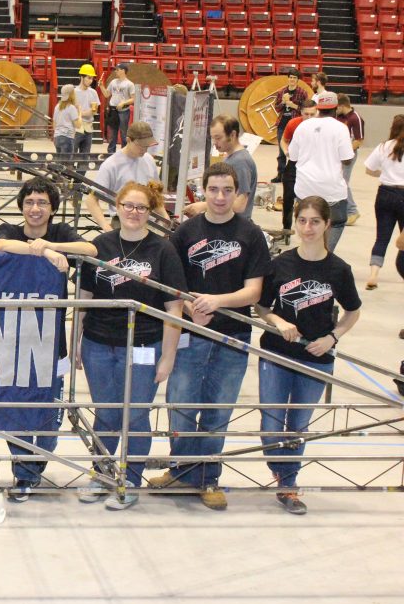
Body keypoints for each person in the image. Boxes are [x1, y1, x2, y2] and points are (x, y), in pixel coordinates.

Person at [148, 162, 270, 510]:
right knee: (182, 405)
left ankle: (207, 478)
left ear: (237, 194)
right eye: (213, 189)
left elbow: (254, 291)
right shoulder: (185, 233)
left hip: (232, 337)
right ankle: (181, 471)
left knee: (218, 410)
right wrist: (190, 311)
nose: (219, 197)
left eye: (227, 190)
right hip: (191, 334)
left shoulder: (251, 234)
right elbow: (173, 283)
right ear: (203, 191)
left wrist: (217, 302)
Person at [76, 180, 186, 509]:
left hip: (143, 346)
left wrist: (167, 356)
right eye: (128, 206)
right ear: (117, 208)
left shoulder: (163, 250)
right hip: (98, 344)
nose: (134, 213)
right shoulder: (101, 245)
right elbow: (83, 299)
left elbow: (174, 308)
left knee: (136, 415)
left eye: (141, 208)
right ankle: (102, 474)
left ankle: (130, 479)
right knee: (106, 412)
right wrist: (77, 342)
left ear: (150, 212)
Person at [255, 196, 361, 515]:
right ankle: (280, 467)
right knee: (272, 424)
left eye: (315, 221)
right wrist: (278, 320)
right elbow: (261, 307)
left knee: (297, 424)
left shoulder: (339, 270)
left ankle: (288, 484)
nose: (308, 227)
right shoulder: (280, 265)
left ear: (327, 224)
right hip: (277, 354)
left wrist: (332, 337)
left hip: (315, 359)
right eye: (302, 220)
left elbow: (353, 312)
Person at [0, 176, 96, 499]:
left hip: (54, 344)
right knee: (16, 410)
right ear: (21, 207)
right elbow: (0, 245)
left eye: (42, 203)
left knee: (51, 411)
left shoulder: (61, 234)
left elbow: (90, 248)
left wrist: (52, 247)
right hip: (14, 340)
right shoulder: (10, 232)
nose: (35, 209)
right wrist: (36, 250)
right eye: (29, 203)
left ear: (52, 209)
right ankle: (23, 473)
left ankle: (33, 467)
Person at [287, 90, 354, 252]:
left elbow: (293, 156)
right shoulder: (340, 128)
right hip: (332, 190)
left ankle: (308, 254)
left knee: (307, 225)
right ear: (336, 108)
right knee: (336, 223)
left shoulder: (303, 126)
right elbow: (347, 159)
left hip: (305, 189)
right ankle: (325, 256)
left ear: (318, 108)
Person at [85, 122, 169, 231]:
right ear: (129, 140)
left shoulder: (149, 160)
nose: (144, 149)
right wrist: (106, 227)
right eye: (141, 146)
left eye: (147, 146)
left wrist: (164, 215)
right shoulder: (111, 165)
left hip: (149, 221)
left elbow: (155, 194)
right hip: (123, 222)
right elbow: (91, 200)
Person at [184, 115, 257, 220]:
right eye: (212, 138)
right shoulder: (231, 157)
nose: (214, 143)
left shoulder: (240, 162)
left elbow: (239, 206)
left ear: (232, 134)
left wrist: (204, 205)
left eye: (218, 138)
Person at [363, 114, 404, 290]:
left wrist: (384, 173)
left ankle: (373, 274)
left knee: (382, 237)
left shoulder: (384, 147)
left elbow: (369, 169)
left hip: (385, 193)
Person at [276, 99, 318, 234]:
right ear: (301, 113)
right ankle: (286, 227)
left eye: (312, 114)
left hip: (313, 165)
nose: (309, 117)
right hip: (294, 164)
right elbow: (284, 140)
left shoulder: (320, 127)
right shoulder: (293, 123)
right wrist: (286, 151)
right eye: (306, 114)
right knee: (288, 197)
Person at [273, 68, 308, 183]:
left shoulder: (302, 93)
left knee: (296, 151)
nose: (292, 80)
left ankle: (294, 175)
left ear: (298, 80)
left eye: (294, 78)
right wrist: (283, 102)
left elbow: (305, 110)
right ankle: (280, 175)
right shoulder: (281, 92)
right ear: (288, 79)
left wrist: (293, 105)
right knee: (281, 151)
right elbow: (277, 108)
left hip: (296, 125)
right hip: (282, 123)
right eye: (290, 77)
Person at [336, 93, 365, 226]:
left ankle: (352, 211)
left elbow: (359, 141)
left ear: (342, 105)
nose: (336, 110)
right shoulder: (340, 117)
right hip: (339, 154)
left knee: (343, 182)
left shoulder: (356, 118)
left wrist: (346, 153)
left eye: (337, 107)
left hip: (349, 155)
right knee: (339, 180)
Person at [102, 63, 135, 153]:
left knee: (124, 133)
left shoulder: (130, 84)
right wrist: (101, 86)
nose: (116, 71)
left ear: (123, 71)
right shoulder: (113, 82)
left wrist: (124, 102)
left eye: (117, 70)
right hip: (113, 110)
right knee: (113, 133)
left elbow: (134, 99)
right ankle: (110, 153)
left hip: (124, 110)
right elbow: (106, 94)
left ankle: (124, 152)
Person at [74, 64, 100, 158]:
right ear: (82, 77)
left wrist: (80, 113)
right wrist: (85, 112)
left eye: (92, 79)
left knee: (85, 157)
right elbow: (71, 112)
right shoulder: (73, 92)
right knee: (70, 156)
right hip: (76, 128)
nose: (90, 81)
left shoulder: (93, 92)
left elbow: (94, 110)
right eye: (88, 78)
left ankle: (80, 173)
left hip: (88, 128)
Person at [52, 83, 82, 157]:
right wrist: (79, 112)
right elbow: (78, 125)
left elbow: (54, 124)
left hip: (57, 138)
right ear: (71, 94)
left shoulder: (57, 106)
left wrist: (57, 134)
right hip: (67, 138)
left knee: (59, 164)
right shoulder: (71, 108)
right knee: (66, 164)